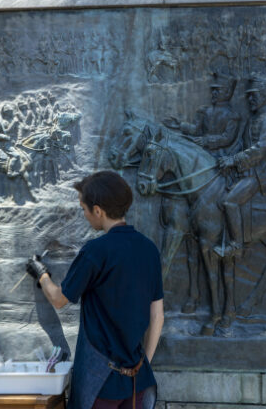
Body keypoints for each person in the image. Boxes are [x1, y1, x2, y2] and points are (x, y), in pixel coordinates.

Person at [27, 171, 165, 409]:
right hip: (138, 382)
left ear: (98, 210)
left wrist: (41, 274)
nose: (84, 214)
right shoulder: (149, 249)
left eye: (84, 209)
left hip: (99, 383)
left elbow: (59, 299)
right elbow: (157, 316)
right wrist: (145, 365)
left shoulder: (96, 251)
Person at [217, 75, 266, 258]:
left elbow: (260, 149)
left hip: (258, 174)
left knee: (230, 201)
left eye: (253, 94)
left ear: (265, 94)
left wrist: (234, 160)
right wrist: (224, 157)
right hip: (244, 171)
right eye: (248, 95)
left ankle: (236, 245)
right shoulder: (253, 119)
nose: (249, 99)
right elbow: (241, 144)